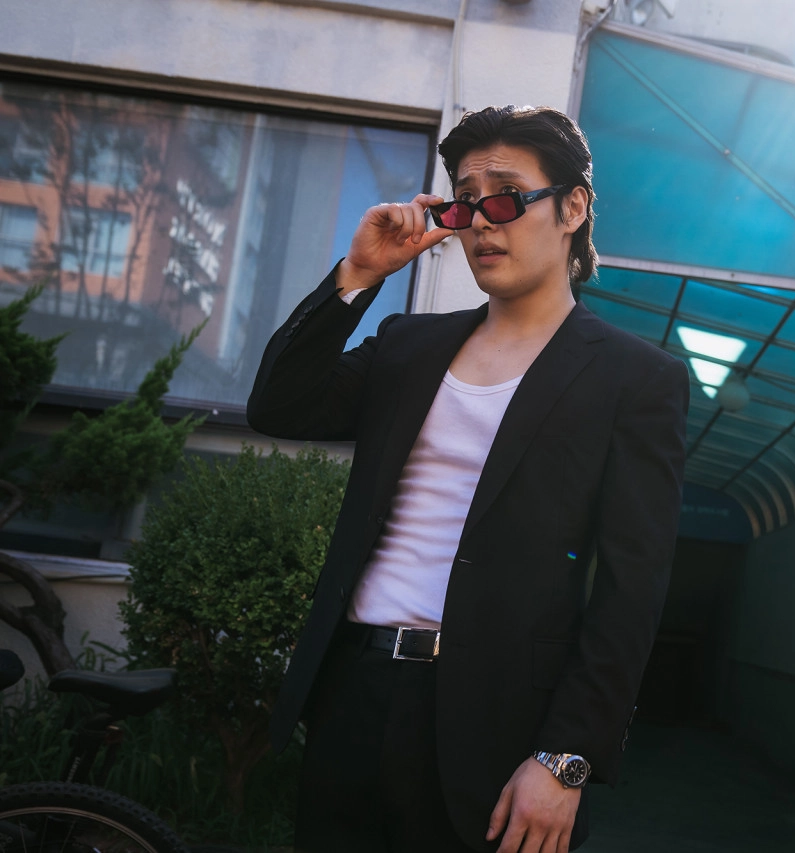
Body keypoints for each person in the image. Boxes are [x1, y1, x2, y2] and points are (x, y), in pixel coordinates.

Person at [246, 105, 688, 853]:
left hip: (499, 723)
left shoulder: (635, 380)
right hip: (353, 691)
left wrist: (566, 758)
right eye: (464, 201)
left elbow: (631, 590)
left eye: (507, 197)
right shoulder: (409, 344)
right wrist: (360, 277)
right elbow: (278, 406)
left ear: (572, 208)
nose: (482, 221)